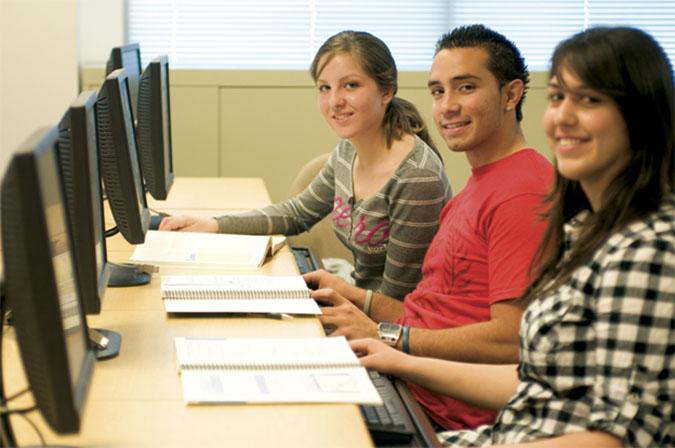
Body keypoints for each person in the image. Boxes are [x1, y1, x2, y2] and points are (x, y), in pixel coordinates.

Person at [350, 26, 675, 446]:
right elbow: (539, 379)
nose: (564, 116)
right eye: (558, 97)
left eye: (590, 100)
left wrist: (391, 338)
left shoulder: (646, 249)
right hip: (498, 426)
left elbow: (620, 437)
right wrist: (393, 355)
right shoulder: (588, 230)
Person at [304, 25, 554, 430]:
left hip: (435, 411)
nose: (447, 106)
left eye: (466, 88)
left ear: (511, 94)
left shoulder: (522, 193)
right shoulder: (481, 184)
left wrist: (388, 337)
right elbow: (437, 315)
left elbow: (511, 338)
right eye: (438, 92)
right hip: (405, 375)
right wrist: (356, 298)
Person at [159, 31, 451, 301]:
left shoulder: (416, 178)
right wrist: (215, 225)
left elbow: (397, 304)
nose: (335, 101)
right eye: (325, 88)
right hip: (359, 302)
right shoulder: (348, 150)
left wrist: (337, 294)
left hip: (393, 329)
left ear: (386, 91)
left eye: (351, 85)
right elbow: (297, 213)